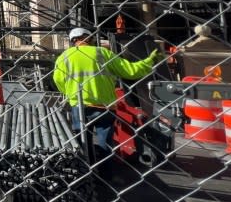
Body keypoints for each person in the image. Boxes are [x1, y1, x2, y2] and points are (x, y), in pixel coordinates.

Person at [53, 27, 161, 169]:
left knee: (82, 141)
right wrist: (150, 61)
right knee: (105, 142)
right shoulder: (101, 53)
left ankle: (86, 170)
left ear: (73, 41)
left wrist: (70, 93)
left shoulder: (64, 57)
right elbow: (130, 71)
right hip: (104, 106)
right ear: (88, 38)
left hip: (79, 106)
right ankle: (106, 172)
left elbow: (58, 80)